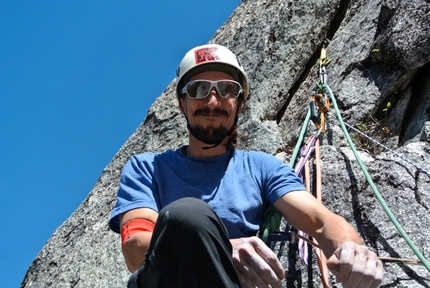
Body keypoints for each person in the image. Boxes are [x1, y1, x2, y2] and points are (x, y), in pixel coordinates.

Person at [108, 44, 383, 288]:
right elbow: (135, 248)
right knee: (187, 214)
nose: (212, 101)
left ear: (239, 104)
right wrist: (223, 249)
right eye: (199, 89)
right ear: (182, 103)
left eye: (227, 89)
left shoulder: (260, 168)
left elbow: (323, 222)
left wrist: (351, 249)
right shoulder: (148, 168)